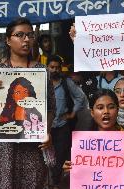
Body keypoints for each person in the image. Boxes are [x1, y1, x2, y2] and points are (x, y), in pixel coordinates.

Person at [0, 18, 55, 188]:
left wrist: (47, 131)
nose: (26, 39)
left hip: (31, 146)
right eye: (19, 35)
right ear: (8, 40)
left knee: (31, 182)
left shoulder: (41, 70)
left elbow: (50, 108)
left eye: (30, 35)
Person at [63, 89, 124, 189]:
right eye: (100, 108)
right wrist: (68, 173)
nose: (106, 112)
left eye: (111, 107)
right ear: (92, 113)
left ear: (117, 110)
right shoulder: (81, 145)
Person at [47, 54, 88, 188]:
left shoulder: (66, 82)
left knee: (60, 157)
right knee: (44, 158)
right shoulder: (41, 81)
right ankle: (46, 182)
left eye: (57, 67)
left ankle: (57, 184)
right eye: (52, 67)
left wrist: (72, 113)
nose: (55, 70)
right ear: (47, 67)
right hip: (44, 127)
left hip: (61, 126)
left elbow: (80, 97)